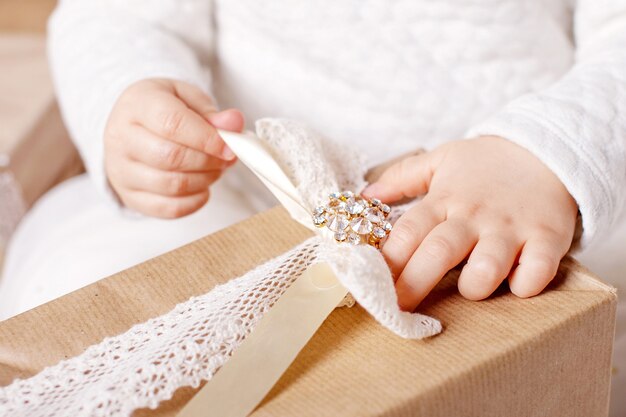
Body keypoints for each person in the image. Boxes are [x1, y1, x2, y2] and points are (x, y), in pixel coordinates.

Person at [0, 0, 624, 413]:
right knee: (92, 290)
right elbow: (115, 17)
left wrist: (544, 150)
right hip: (252, 196)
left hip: (530, 207)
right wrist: (131, 106)